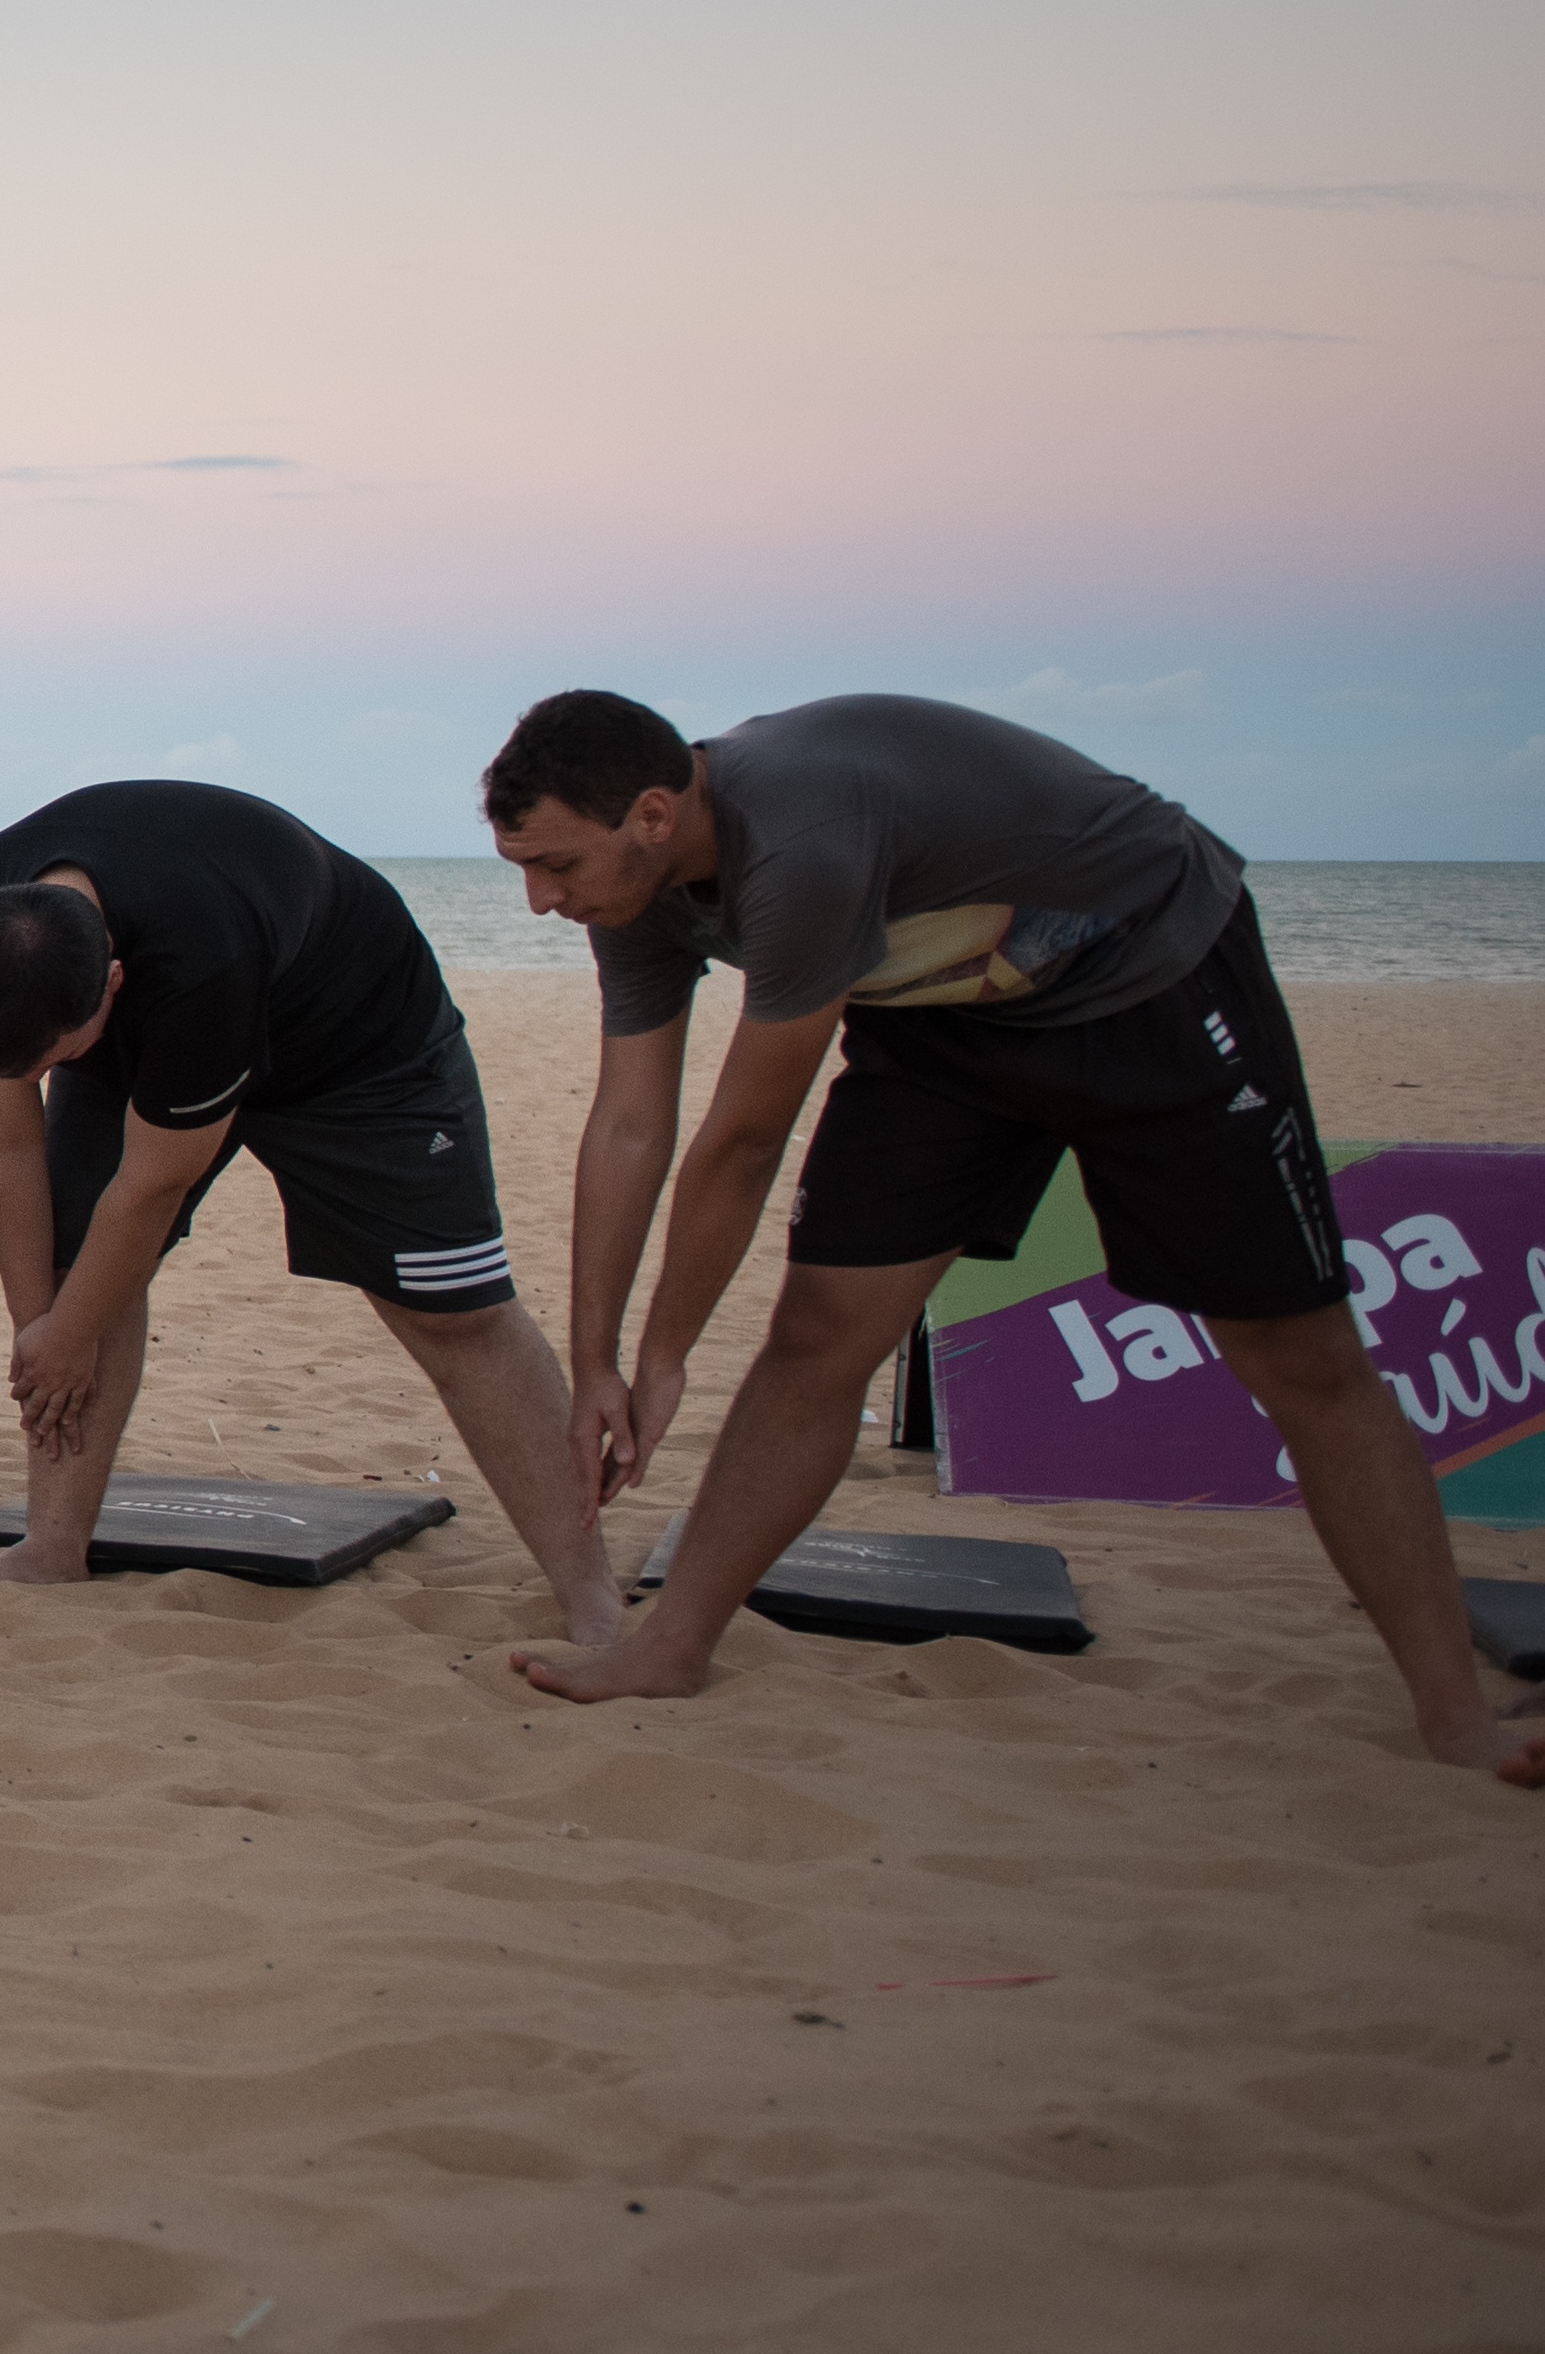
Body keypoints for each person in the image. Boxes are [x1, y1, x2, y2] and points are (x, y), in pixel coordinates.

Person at [481, 688, 1538, 1781]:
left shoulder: (801, 842)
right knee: (819, 1334)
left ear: (653, 815)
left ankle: (1453, 1715)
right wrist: (598, 1360)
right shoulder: (631, 898)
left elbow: (743, 1142)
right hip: (943, 1017)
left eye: (555, 865)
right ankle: (668, 1650)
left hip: (1151, 977)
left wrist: (664, 1356)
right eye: (521, 868)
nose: (539, 900)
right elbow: (629, 1124)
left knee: (1300, 1354)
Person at [0, 781, 621, 1637]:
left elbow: (150, 1187)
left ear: (112, 982)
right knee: (76, 1282)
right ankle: (52, 1546)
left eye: (49, 1064)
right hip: (145, 1029)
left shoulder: (202, 953)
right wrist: (41, 1327)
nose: (37, 1083)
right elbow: (2, 1142)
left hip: (354, 1038)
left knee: (455, 1313)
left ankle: (589, 1592)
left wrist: (69, 1337)